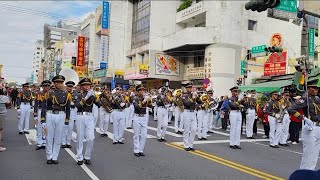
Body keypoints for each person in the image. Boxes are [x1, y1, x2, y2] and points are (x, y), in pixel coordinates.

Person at [288, 80, 320, 170]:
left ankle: (310, 175)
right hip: (310, 127)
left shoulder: (317, 99)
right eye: (314, 88)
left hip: (318, 127)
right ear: (308, 88)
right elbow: (291, 109)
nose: (316, 90)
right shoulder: (304, 98)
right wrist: (304, 118)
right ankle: (303, 175)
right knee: (308, 156)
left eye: (317, 88)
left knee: (314, 157)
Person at [41, 75, 71, 164]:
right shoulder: (49, 93)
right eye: (58, 83)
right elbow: (44, 106)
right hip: (50, 114)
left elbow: (68, 108)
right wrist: (43, 119)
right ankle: (49, 156)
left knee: (58, 138)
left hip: (61, 115)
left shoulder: (66, 94)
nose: (60, 84)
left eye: (61, 83)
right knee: (49, 137)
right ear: (54, 83)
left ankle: (55, 157)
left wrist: (67, 119)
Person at [75, 78, 100, 165]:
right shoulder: (78, 95)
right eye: (85, 85)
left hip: (89, 116)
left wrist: (95, 97)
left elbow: (99, 104)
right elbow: (78, 106)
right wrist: (86, 98)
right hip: (80, 115)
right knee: (80, 138)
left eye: (88, 85)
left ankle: (87, 156)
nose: (87, 87)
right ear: (81, 86)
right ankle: (79, 157)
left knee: (91, 138)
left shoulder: (92, 94)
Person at [132, 85, 152, 157]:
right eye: (140, 90)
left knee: (144, 135)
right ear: (138, 91)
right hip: (137, 117)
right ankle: (136, 150)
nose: (142, 91)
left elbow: (150, 106)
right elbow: (137, 107)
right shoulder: (135, 98)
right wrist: (144, 101)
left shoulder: (145, 97)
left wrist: (149, 101)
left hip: (144, 117)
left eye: (143, 90)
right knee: (136, 135)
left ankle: (141, 150)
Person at [34, 80, 51, 150]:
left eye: (48, 86)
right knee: (39, 127)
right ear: (43, 87)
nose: (46, 87)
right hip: (40, 111)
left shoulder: (51, 94)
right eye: (45, 86)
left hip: (49, 112)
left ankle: (45, 142)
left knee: (47, 127)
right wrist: (35, 114)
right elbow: (36, 104)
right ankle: (39, 143)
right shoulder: (39, 94)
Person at [61, 81, 77, 149]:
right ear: (66, 87)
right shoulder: (63, 94)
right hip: (64, 111)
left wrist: (74, 104)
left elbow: (77, 103)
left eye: (71, 87)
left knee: (70, 128)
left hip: (72, 111)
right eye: (68, 86)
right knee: (64, 127)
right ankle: (63, 142)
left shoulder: (75, 94)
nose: (70, 88)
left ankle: (68, 142)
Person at [182, 83, 197, 151]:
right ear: (186, 88)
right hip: (187, 112)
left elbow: (200, 102)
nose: (190, 89)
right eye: (188, 88)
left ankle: (191, 144)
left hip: (193, 113)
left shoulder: (194, 95)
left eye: (191, 88)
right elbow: (187, 104)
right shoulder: (184, 95)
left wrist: (197, 97)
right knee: (187, 130)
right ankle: (186, 145)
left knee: (194, 129)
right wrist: (193, 99)